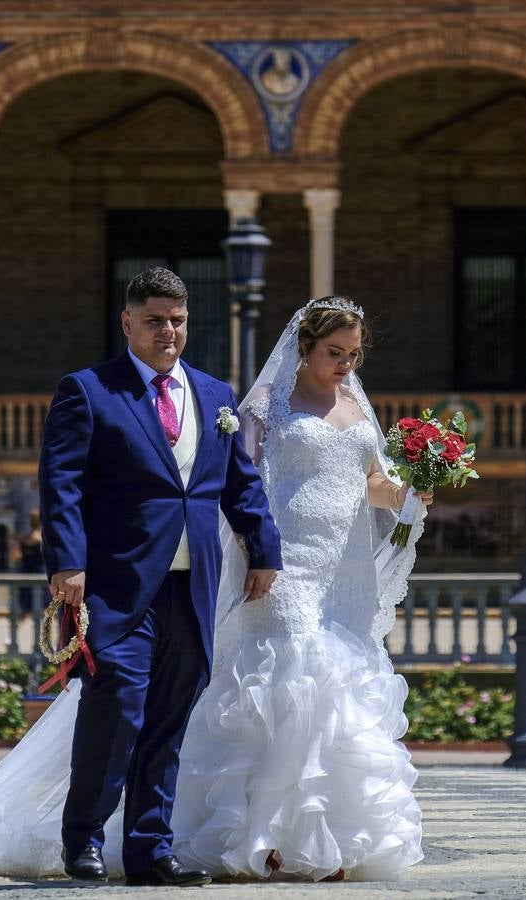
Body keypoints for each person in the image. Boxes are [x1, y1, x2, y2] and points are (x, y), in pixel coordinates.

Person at [0, 266, 283, 885]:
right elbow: (61, 483)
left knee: (171, 718)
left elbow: (238, 482)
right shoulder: (89, 391)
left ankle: (149, 849)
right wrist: (67, 561)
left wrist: (263, 547)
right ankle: (83, 836)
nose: (167, 331)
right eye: (154, 320)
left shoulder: (216, 395)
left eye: (176, 319)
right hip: (118, 584)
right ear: (127, 323)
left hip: (193, 584)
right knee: (115, 704)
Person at [170, 297, 429, 881]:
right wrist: (253, 553)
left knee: (338, 686)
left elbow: (373, 486)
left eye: (353, 355)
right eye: (334, 354)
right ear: (304, 347)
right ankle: (261, 836)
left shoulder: (358, 409)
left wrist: (413, 492)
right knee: (292, 674)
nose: (344, 366)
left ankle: (325, 838)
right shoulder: (267, 405)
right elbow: (239, 486)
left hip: (346, 571)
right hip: (283, 563)